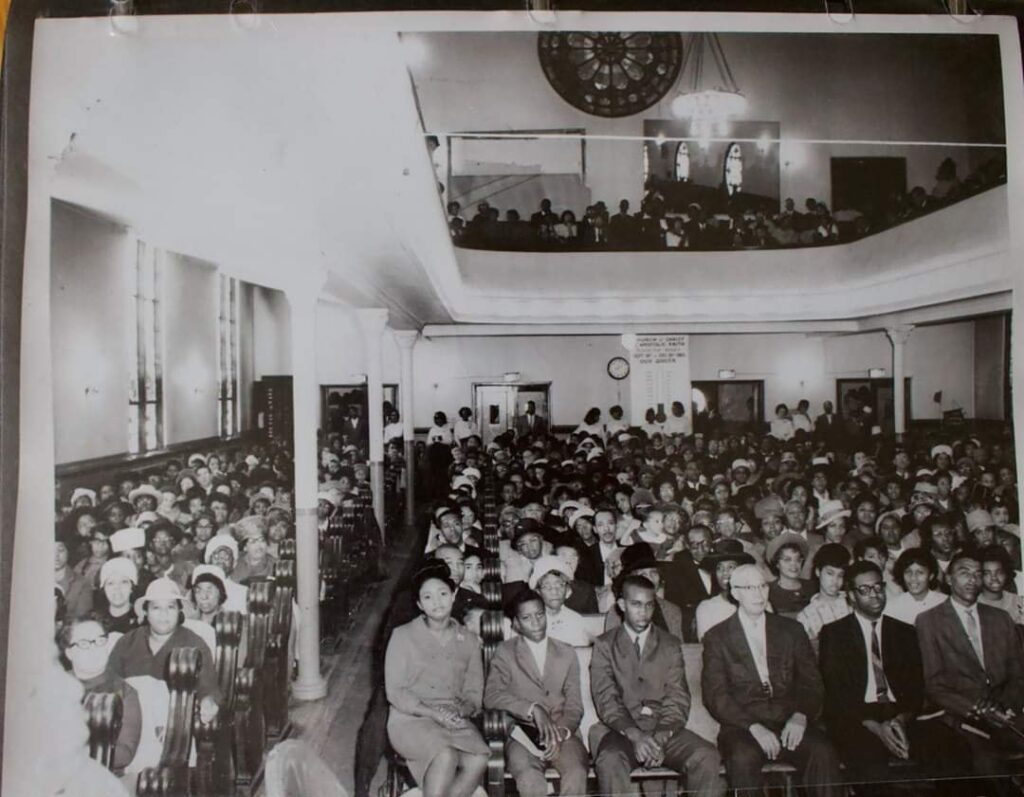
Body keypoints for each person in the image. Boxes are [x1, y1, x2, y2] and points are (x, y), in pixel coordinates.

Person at [818, 561, 971, 796]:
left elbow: (916, 687)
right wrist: (876, 727)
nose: (874, 594)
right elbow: (837, 693)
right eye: (864, 590)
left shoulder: (904, 632)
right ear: (851, 596)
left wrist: (901, 720)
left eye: (878, 587)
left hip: (901, 713)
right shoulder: (834, 633)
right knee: (868, 761)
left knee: (949, 747)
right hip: (858, 718)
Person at [702, 564, 843, 796]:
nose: (759, 594)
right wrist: (753, 727)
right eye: (750, 588)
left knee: (822, 751)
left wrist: (800, 716)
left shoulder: (792, 630)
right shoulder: (717, 637)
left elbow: (812, 683)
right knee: (742, 758)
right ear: (735, 593)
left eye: (763, 586)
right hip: (743, 728)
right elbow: (716, 696)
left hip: (790, 721)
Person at [589, 574, 723, 797]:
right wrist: (635, 735)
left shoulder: (670, 644)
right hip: (622, 732)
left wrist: (660, 737)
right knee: (610, 760)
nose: (643, 612)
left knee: (706, 756)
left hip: (665, 731)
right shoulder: (605, 645)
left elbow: (677, 697)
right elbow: (606, 699)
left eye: (649, 605)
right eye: (636, 604)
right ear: (621, 605)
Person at [916, 551, 1024, 796]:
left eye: (978, 573)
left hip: (1005, 711)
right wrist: (978, 708)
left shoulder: (1001, 619)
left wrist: (1004, 705)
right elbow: (934, 684)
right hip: (961, 716)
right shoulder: (929, 621)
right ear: (948, 578)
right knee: (986, 764)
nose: (973, 579)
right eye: (965, 572)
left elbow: (1018, 676)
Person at [384, 564, 488, 797]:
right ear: (419, 604)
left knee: (479, 758)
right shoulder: (402, 636)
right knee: (445, 754)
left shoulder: (468, 640)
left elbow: (474, 691)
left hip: (453, 717)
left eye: (442, 594)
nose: (437, 602)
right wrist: (434, 713)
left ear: (453, 595)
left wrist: (462, 710)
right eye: (427, 597)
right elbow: (395, 691)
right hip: (410, 717)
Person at [483, 589, 588, 797]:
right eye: (527, 618)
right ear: (516, 623)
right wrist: (532, 709)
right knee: (530, 778)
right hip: (523, 735)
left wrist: (561, 732)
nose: (536, 623)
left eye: (540, 615)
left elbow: (575, 704)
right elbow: (492, 695)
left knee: (576, 772)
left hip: (563, 733)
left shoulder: (566, 652)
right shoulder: (505, 652)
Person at [105, 578, 221, 725]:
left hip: (175, 724)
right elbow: (109, 683)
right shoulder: (127, 642)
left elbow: (208, 688)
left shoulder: (194, 644)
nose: (164, 614)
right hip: (129, 721)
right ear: (146, 612)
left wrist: (208, 702)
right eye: (156, 608)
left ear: (179, 611)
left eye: (170, 607)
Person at [59, 615, 143, 776]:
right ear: (69, 652)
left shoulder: (125, 692)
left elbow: (125, 753)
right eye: (84, 643)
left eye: (99, 641)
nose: (94, 649)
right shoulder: (53, 685)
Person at [695, 539, 755, 641]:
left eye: (731, 567)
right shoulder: (707, 608)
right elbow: (708, 645)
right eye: (719, 568)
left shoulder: (757, 602)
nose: (724, 573)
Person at [663, 525, 715, 642]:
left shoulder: (720, 562)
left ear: (712, 542)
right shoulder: (677, 568)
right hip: (691, 629)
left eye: (705, 543)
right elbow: (673, 607)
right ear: (687, 546)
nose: (701, 549)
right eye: (694, 545)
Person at [796, 543, 852, 647]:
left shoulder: (852, 603)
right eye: (830, 573)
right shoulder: (806, 616)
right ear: (818, 571)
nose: (835, 580)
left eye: (840, 575)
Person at [883, 548, 947, 625]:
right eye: (908, 572)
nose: (913, 578)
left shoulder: (945, 603)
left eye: (920, 572)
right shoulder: (892, 607)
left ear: (931, 576)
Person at [97, 557, 140, 634]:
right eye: (111, 583)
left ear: (132, 587)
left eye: (124, 582)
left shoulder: (141, 621)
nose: (117, 588)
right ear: (104, 588)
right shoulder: (95, 620)